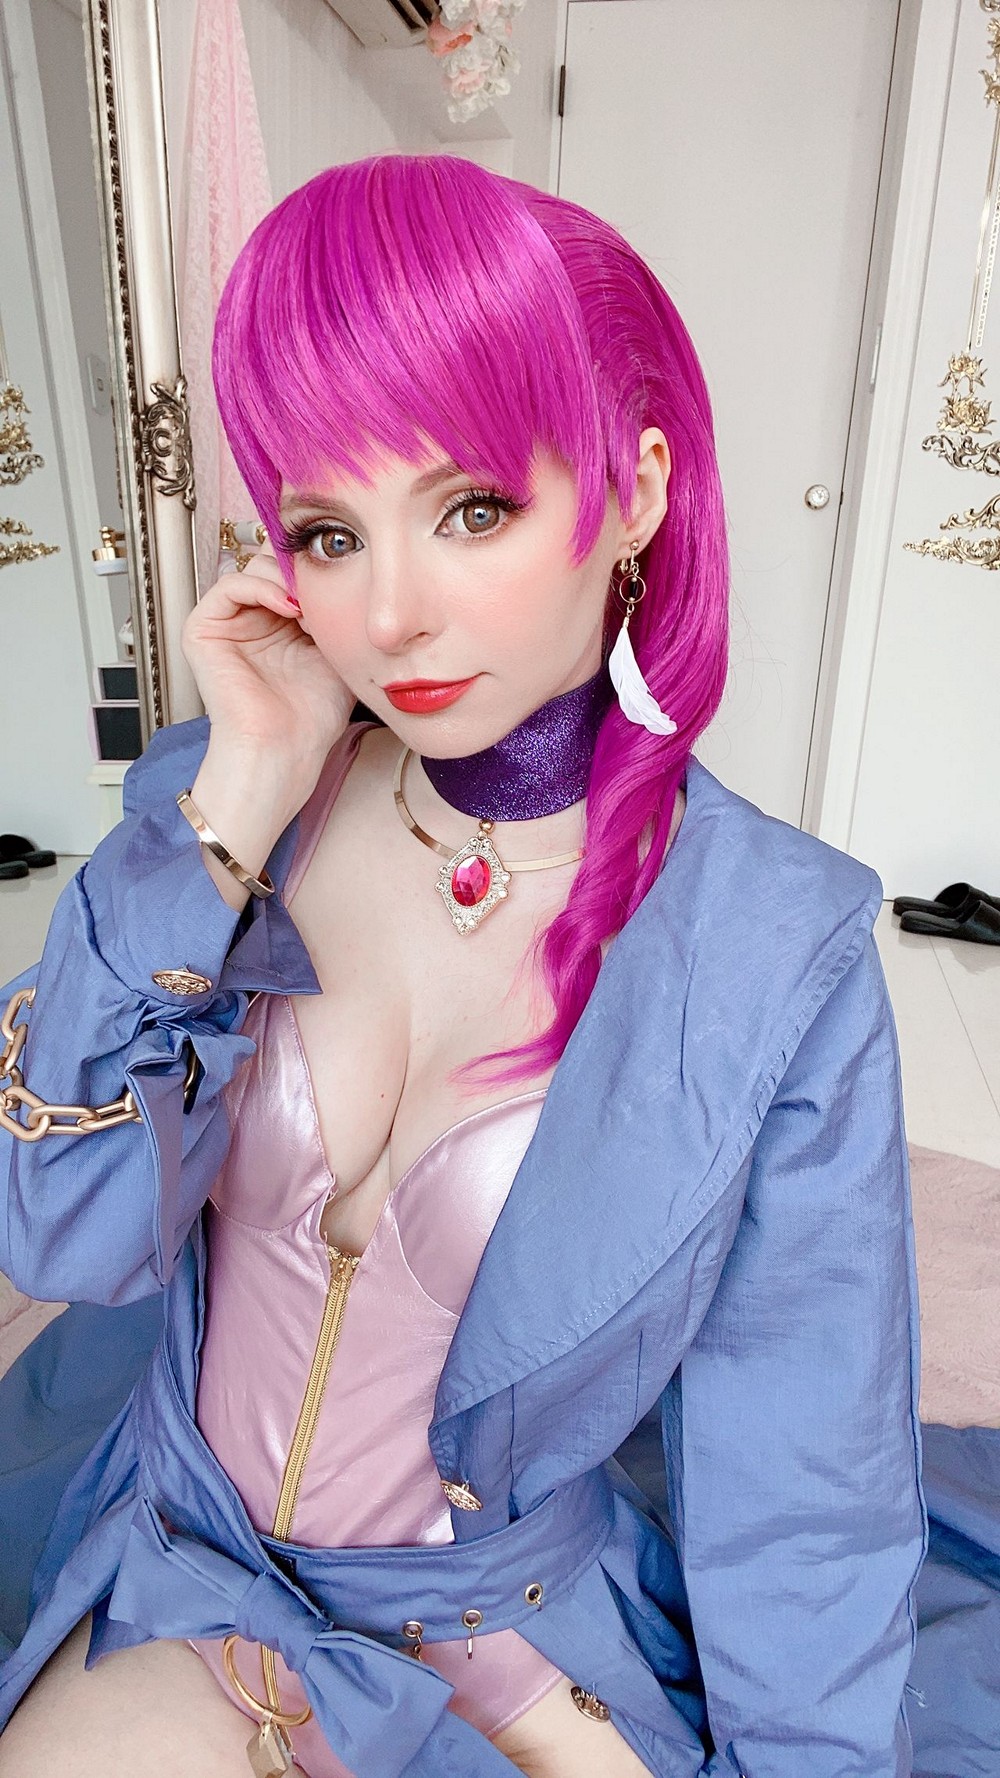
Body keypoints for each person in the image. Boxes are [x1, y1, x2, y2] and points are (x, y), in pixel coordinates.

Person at [0, 154, 925, 1778]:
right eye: (328, 531)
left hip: (500, 1632)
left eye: (473, 509)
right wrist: (237, 797)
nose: (392, 614)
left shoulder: (772, 955)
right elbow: (63, 1229)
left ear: (634, 491)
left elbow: (806, 1489)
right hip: (193, 1566)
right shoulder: (229, 815)